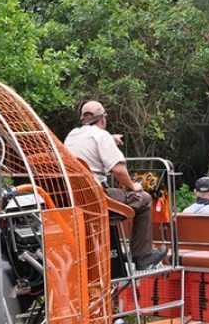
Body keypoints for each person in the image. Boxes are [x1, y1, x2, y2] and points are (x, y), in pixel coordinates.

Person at [64, 100, 166, 271]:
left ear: (83, 119)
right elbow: (118, 170)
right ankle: (143, 256)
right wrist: (132, 186)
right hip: (97, 198)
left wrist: (110, 139)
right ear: (102, 119)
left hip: (75, 198)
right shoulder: (102, 136)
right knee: (144, 199)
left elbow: (90, 142)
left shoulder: (72, 135)